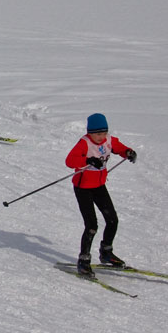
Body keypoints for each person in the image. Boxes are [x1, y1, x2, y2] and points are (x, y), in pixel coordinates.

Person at [65, 113, 138, 275]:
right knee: (91, 225)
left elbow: (120, 148)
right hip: (83, 188)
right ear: (90, 132)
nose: (101, 137)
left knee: (112, 220)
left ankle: (106, 252)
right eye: (98, 134)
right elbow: (69, 161)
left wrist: (128, 152)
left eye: (104, 133)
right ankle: (83, 260)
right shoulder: (84, 143)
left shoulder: (109, 140)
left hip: (99, 186)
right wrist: (87, 160)